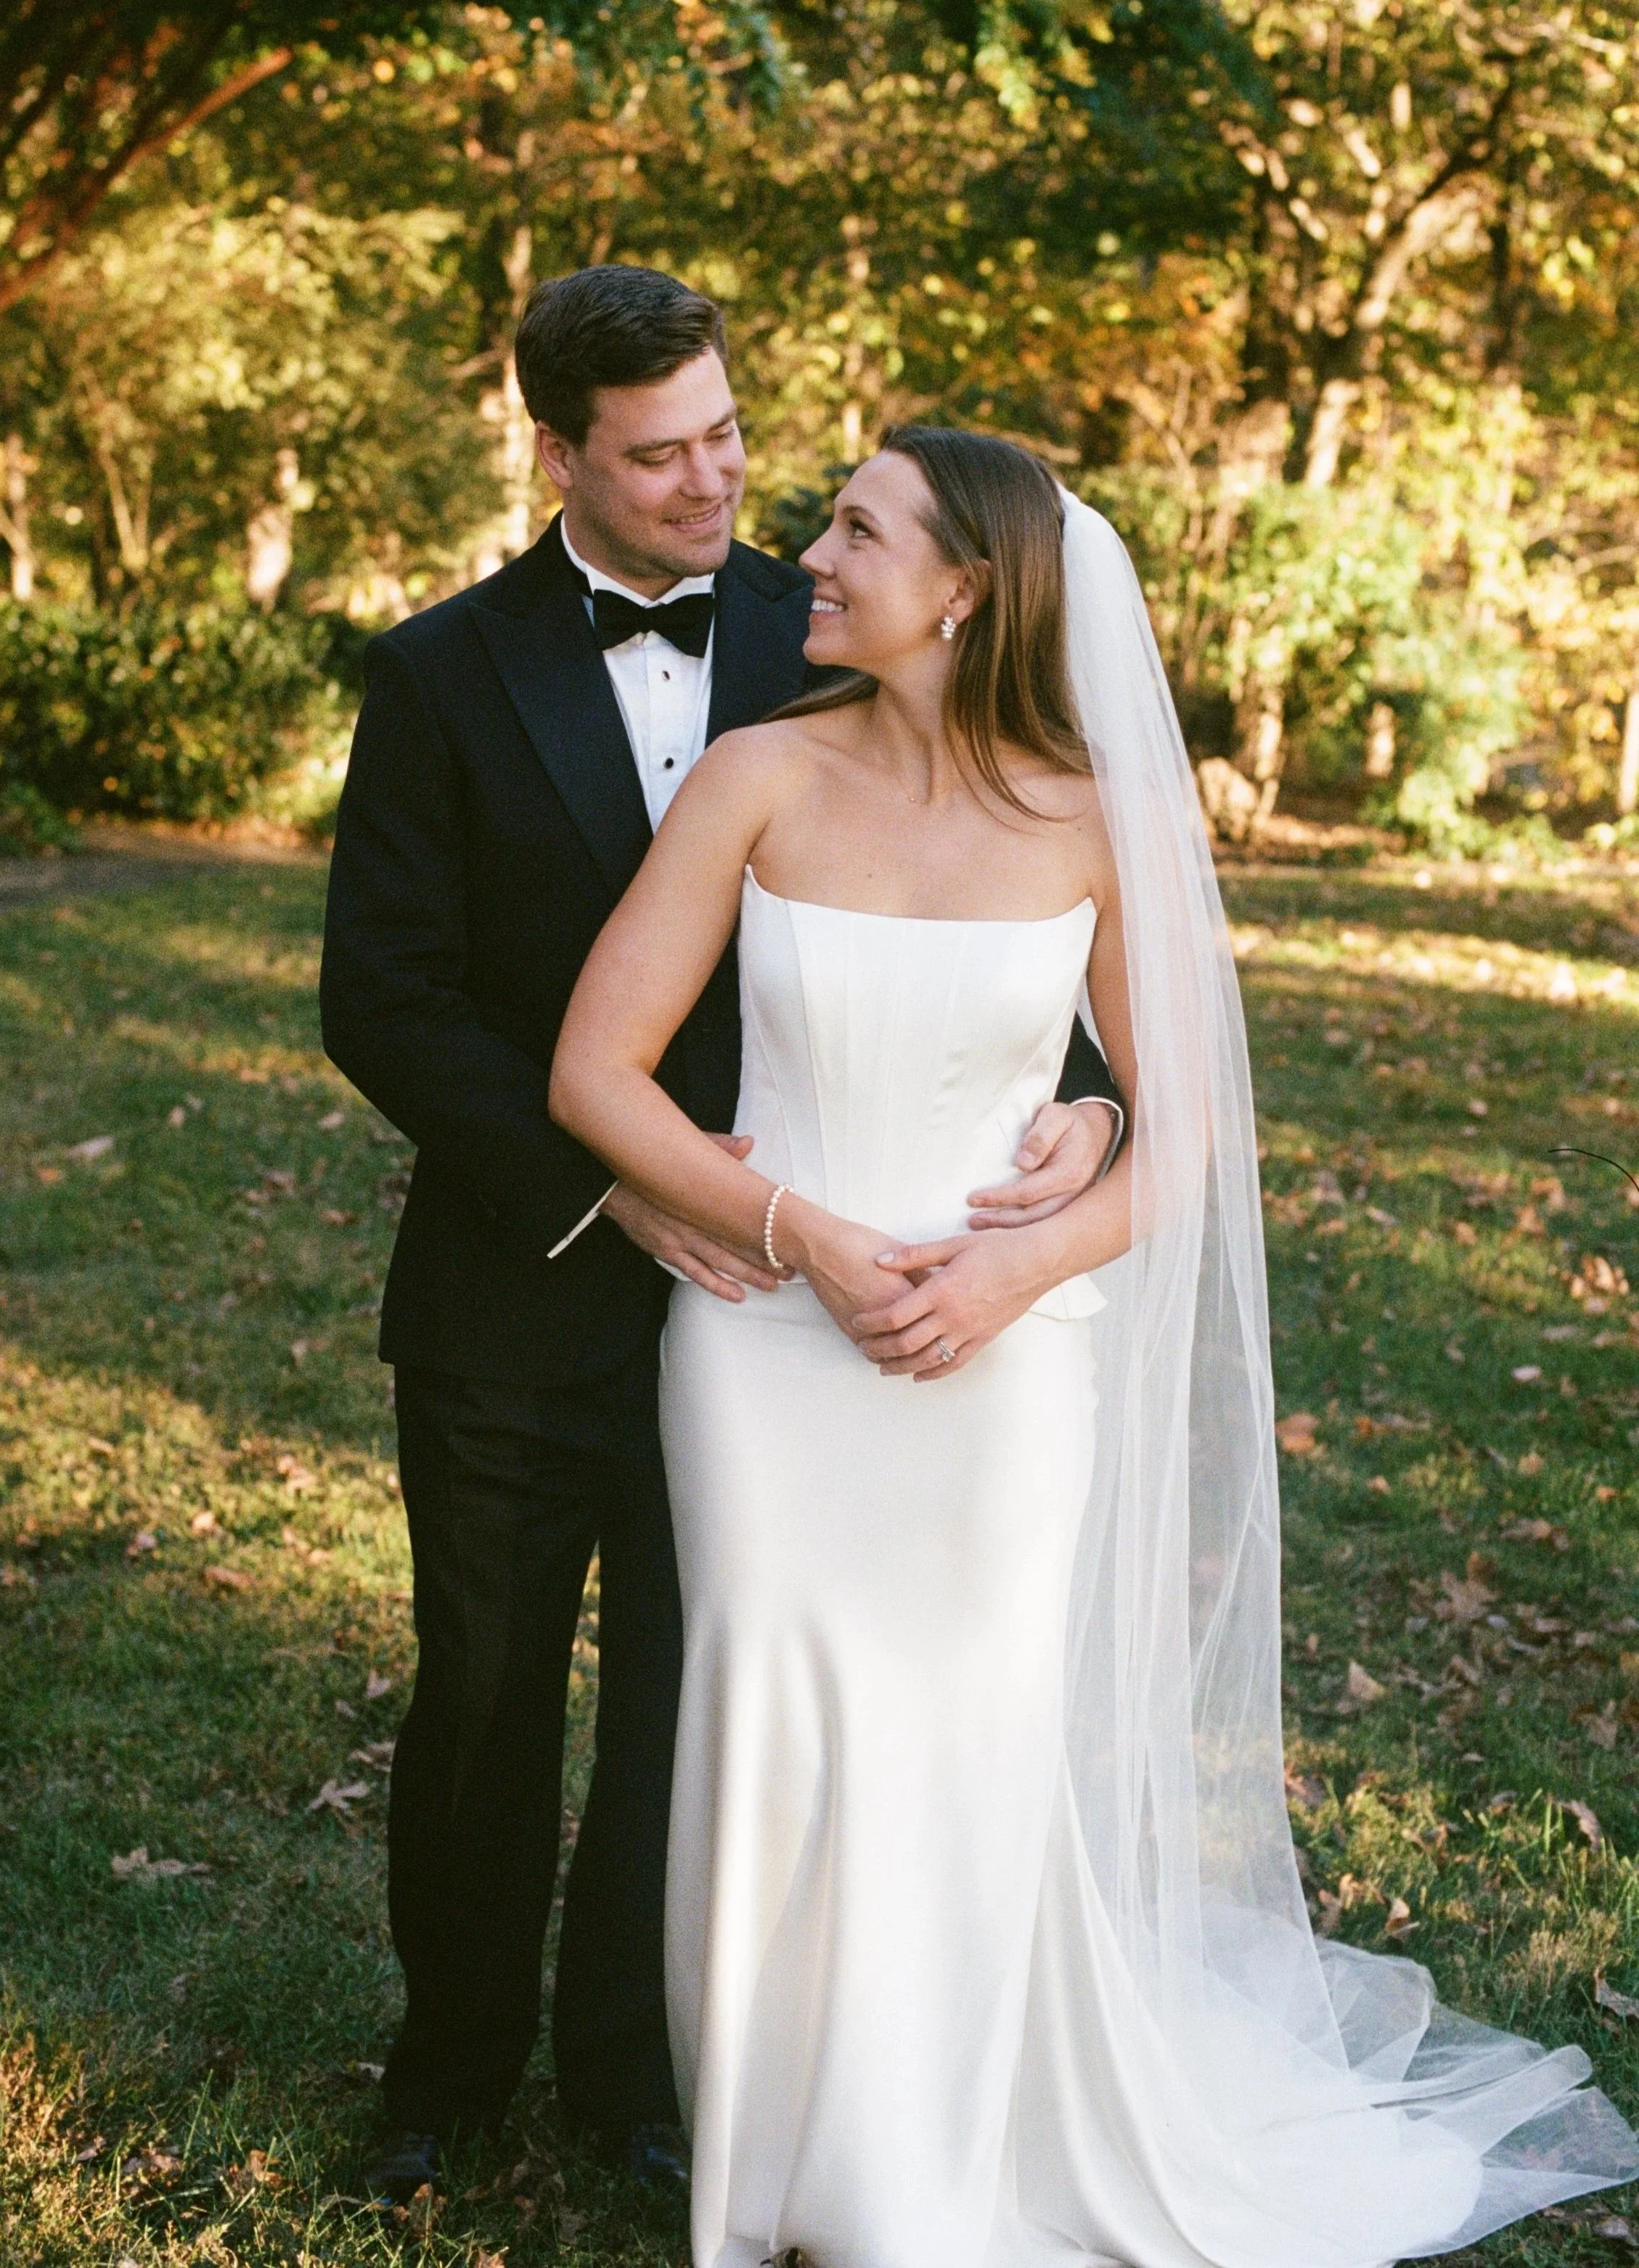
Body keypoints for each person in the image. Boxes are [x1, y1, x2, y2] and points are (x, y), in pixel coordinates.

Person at [549, 427, 1639, 2266]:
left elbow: (1189, 1123)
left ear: (966, 588)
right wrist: (795, 1232)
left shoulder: (1089, 818)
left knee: (966, 1734)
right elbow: (594, 1071)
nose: (808, 552)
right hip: (760, 1344)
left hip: (1001, 1360)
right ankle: (781, 2166)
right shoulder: (755, 774)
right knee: (776, 1721)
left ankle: (936, 2170)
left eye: (857, 529)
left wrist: (1013, 1265)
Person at [318, 269, 1122, 2203]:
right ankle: (446, 2072)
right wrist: (628, 1183)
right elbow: (388, 997)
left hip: (798, 1320)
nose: (709, 483)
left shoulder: (835, 621)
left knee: (703, 1709)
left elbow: (998, 921)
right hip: (528, 1268)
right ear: (559, 454)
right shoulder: (439, 672)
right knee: (488, 1695)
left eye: (726, 434)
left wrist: (1086, 1098)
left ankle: (645, 2079)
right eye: (658, 453)